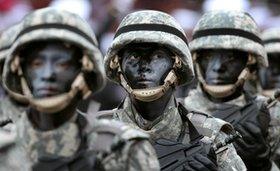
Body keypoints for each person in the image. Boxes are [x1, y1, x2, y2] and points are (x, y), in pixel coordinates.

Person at [0, 8, 159, 171]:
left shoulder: (122, 149)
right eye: (37, 64)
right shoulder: (4, 151)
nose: (48, 75)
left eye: (62, 64)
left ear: (85, 70)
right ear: (20, 71)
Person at [101, 10, 246, 171]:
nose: (144, 66)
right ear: (118, 65)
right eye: (134, 57)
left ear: (178, 65)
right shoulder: (94, 133)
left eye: (157, 56)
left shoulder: (210, 135)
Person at [185, 11, 280, 170]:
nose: (218, 67)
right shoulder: (173, 113)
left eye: (231, 57)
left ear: (251, 62)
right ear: (195, 60)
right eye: (208, 57)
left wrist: (267, 161)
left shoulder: (274, 116)